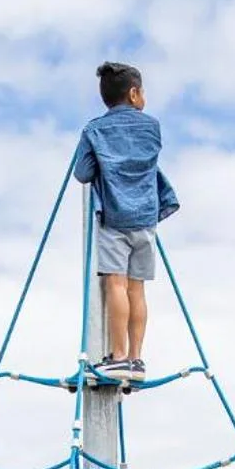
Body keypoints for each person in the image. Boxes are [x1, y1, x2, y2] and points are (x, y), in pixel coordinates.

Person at [70, 61, 178, 385]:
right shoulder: (152, 127)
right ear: (134, 94)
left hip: (115, 221)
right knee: (137, 289)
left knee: (114, 285)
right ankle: (136, 358)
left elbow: (83, 173)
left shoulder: (94, 130)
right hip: (146, 220)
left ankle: (116, 358)